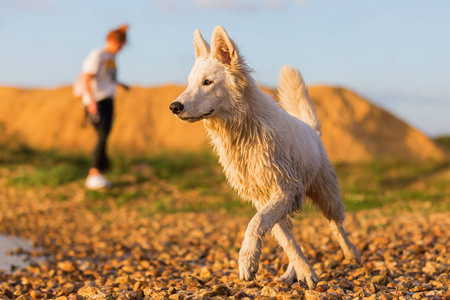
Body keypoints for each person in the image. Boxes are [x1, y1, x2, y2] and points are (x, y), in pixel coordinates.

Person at [80, 24, 129, 189]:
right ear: (111, 41)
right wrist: (92, 103)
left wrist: (122, 85)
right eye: (119, 45)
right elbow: (86, 78)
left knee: (105, 135)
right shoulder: (97, 55)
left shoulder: (111, 58)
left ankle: (100, 170)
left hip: (109, 100)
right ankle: (94, 173)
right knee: (102, 135)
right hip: (96, 101)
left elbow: (108, 78)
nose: (120, 49)